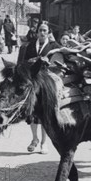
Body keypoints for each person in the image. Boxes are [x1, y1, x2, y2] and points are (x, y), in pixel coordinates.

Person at [21, 21, 59, 154]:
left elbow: (59, 63)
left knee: (44, 113)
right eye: (40, 30)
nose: (42, 33)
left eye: (44, 30)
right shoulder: (30, 45)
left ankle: (44, 142)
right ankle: (34, 139)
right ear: (36, 32)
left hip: (46, 83)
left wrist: (47, 63)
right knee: (32, 111)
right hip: (33, 82)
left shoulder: (54, 46)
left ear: (48, 32)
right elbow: (23, 62)